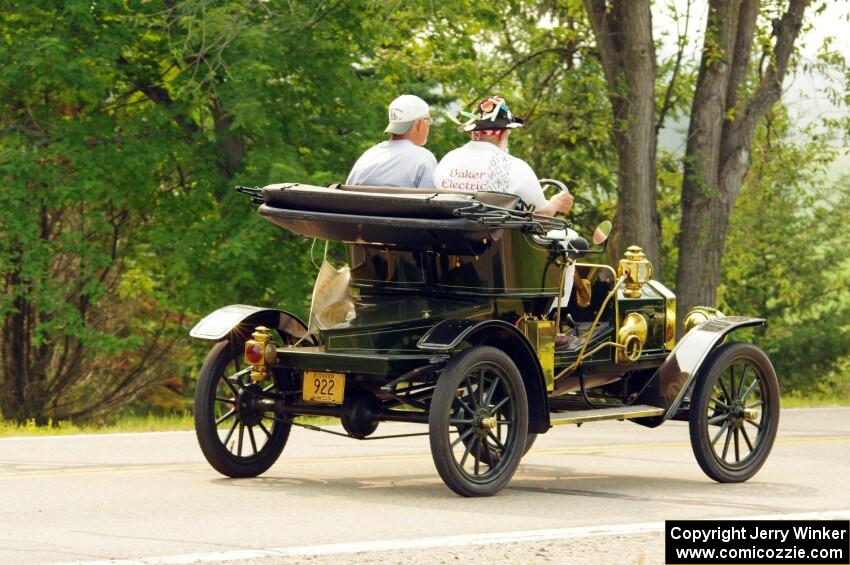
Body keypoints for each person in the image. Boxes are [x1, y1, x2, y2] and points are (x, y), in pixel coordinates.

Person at [433, 96, 573, 216]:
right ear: (503, 133)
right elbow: (542, 214)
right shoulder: (515, 167)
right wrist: (557, 202)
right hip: (495, 243)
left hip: (447, 241)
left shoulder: (448, 160)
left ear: (473, 131)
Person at [346, 94, 437, 188]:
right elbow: (432, 200)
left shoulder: (367, 157)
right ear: (420, 124)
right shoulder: (423, 159)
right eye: (428, 120)